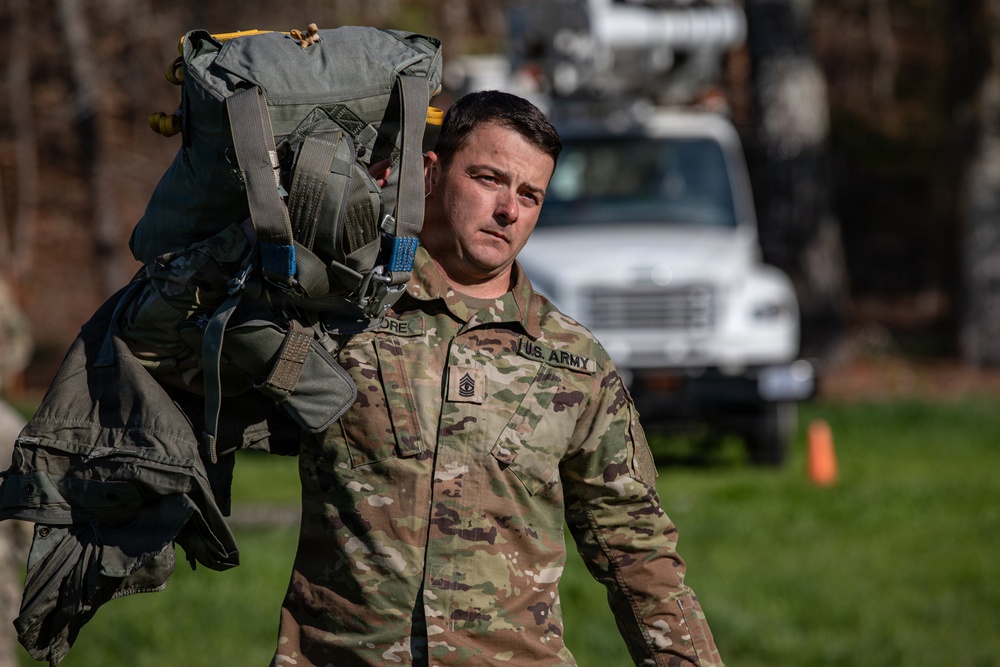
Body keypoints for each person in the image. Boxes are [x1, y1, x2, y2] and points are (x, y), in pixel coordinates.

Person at [272, 90, 724, 667]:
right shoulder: (342, 317)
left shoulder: (574, 360)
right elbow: (188, 381)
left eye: (530, 194)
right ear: (430, 174)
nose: (509, 209)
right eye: (489, 179)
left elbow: (636, 548)